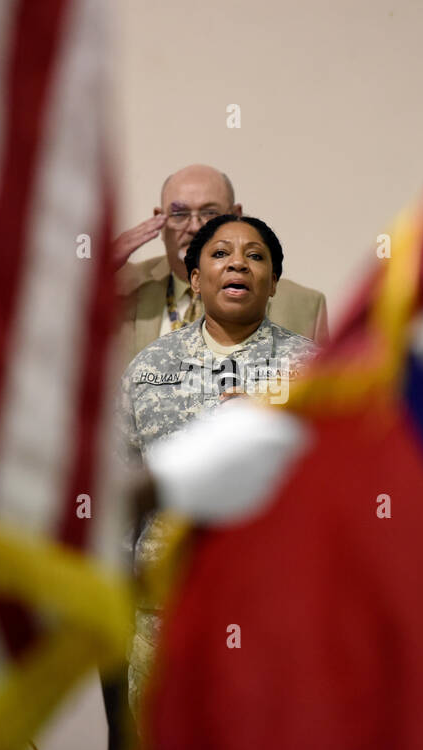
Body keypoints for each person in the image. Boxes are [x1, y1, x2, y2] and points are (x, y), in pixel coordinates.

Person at [119, 214, 318, 716]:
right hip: (164, 619)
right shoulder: (148, 369)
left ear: (273, 284)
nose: (238, 264)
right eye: (221, 253)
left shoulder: (313, 373)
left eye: (255, 257)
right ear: (194, 278)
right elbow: (118, 491)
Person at [114, 164, 329, 359]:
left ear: (235, 215)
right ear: (159, 219)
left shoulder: (304, 305)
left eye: (209, 213)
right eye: (180, 214)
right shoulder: (119, 287)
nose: (194, 227)